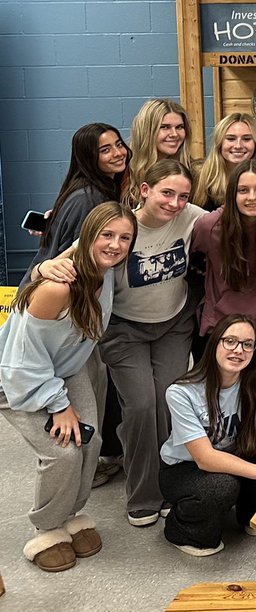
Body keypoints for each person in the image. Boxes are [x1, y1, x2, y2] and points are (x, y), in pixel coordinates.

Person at [50, 162, 204, 528]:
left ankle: (169, 484)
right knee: (140, 406)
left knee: (169, 402)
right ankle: (143, 493)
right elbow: (73, 252)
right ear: (145, 190)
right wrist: (42, 271)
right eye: (167, 193)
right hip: (124, 329)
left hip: (173, 324)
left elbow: (231, 219)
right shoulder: (123, 226)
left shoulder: (191, 217)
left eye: (183, 196)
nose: (175, 203)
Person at [0, 202, 135, 572]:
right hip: (18, 378)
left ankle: (69, 515)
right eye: (107, 235)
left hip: (66, 367)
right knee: (63, 453)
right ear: (89, 236)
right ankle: (46, 529)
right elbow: (23, 358)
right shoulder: (58, 288)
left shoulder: (102, 268)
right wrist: (58, 404)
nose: (115, 244)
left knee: (90, 441)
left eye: (125, 237)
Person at [159, 315, 256, 556]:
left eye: (247, 344)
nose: (239, 350)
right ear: (215, 343)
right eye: (230, 341)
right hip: (185, 469)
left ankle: (247, 512)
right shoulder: (181, 392)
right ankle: (181, 526)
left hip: (235, 454)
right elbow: (205, 459)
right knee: (221, 488)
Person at [190, 160, 256, 454]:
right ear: (231, 194)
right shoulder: (210, 226)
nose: (252, 197)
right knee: (221, 402)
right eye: (243, 190)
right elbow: (193, 263)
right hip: (219, 325)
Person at [26, 123, 129, 282]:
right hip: (59, 289)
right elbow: (73, 255)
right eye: (105, 150)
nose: (118, 153)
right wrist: (40, 271)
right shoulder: (88, 198)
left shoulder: (105, 188)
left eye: (119, 144)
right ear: (89, 158)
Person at [192, 113, 256, 211]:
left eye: (247, 139)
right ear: (219, 143)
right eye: (231, 139)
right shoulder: (198, 176)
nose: (238, 145)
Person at [126, 98, 193, 206]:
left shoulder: (192, 170)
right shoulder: (124, 171)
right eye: (165, 127)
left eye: (180, 127)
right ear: (147, 130)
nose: (174, 134)